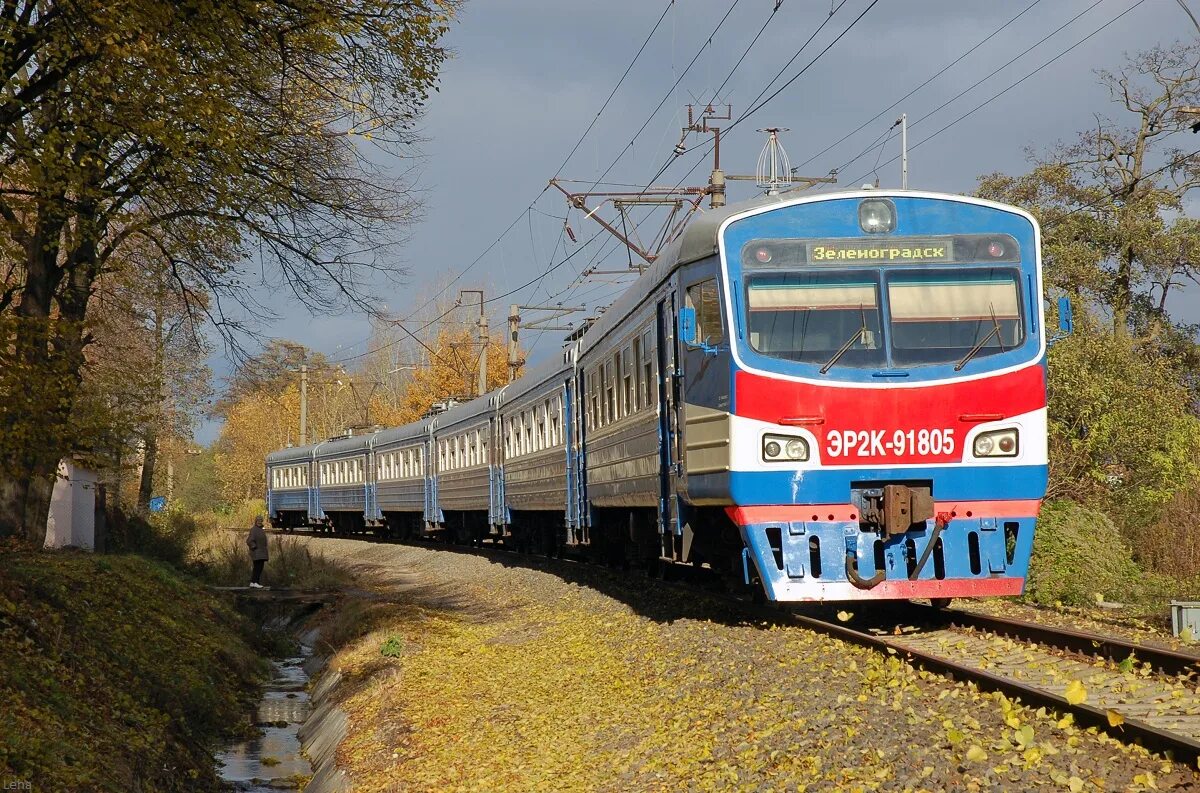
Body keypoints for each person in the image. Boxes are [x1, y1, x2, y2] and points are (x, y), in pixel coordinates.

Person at [246, 516, 270, 589]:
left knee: (258, 568)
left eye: (261, 521)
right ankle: (256, 582)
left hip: (261, 552)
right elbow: (249, 540)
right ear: (256, 521)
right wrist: (254, 546)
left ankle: (253, 582)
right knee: (258, 568)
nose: (260, 522)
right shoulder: (254, 530)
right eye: (258, 521)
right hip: (257, 552)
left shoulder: (260, 529)